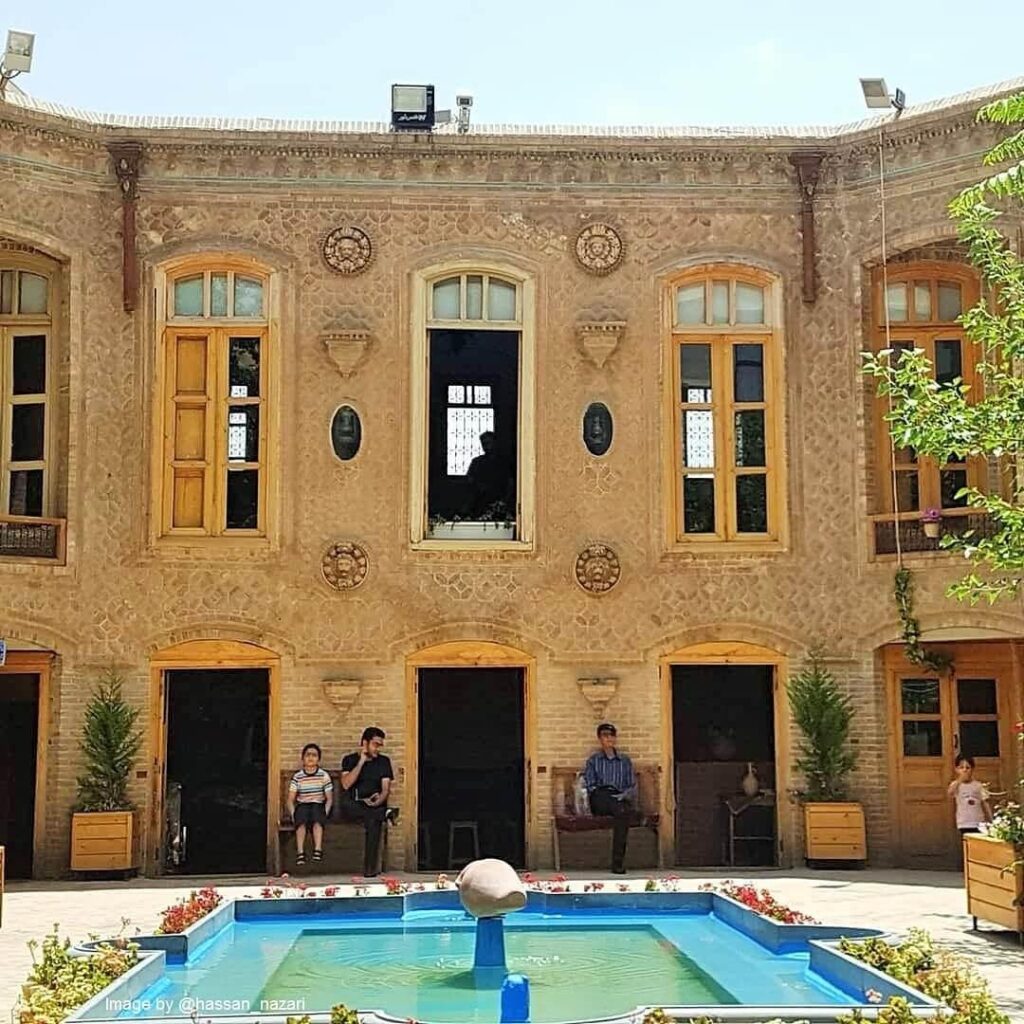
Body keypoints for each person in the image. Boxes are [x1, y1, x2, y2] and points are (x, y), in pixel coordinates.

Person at [339, 726, 397, 877]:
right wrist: (361, 763)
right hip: (354, 805)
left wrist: (378, 801)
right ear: (365, 743)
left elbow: (385, 789)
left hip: (374, 805)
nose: (378, 749)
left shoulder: (384, 762)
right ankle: (385, 813)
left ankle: (369, 869)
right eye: (375, 744)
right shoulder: (350, 760)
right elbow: (346, 784)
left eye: (380, 745)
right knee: (374, 815)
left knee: (373, 819)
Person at [582, 722, 637, 874]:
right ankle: (617, 863)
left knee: (622, 813)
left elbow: (631, 785)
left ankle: (617, 863)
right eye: (605, 735)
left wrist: (622, 796)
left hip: (619, 798)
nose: (609, 739)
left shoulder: (624, 761)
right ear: (600, 739)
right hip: (601, 797)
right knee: (619, 808)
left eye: (612, 735)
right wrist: (607, 795)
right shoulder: (594, 760)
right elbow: (591, 785)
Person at [287, 743, 333, 866]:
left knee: (318, 818)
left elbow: (329, 798)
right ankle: (300, 852)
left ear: (319, 759)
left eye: (314, 755)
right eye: (308, 755)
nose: (311, 758)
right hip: (303, 804)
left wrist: (325, 813)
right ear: (302, 758)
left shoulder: (324, 775)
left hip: (318, 804)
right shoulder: (298, 777)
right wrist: (293, 814)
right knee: (300, 820)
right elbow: (290, 799)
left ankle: (318, 850)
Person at [465, 431, 514, 520]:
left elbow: (511, 483)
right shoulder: (477, 462)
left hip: (500, 504)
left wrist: (505, 501)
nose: (486, 446)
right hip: (480, 503)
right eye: (484, 444)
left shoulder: (504, 462)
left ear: (495, 443)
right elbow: (469, 481)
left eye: (488, 443)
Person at [947, 754, 992, 836]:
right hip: (964, 822)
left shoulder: (978, 785)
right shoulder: (956, 785)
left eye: (967, 767)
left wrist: (991, 819)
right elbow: (950, 793)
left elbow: (985, 802)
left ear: (972, 769)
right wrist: (960, 779)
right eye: (961, 767)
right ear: (957, 769)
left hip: (978, 821)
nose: (965, 770)